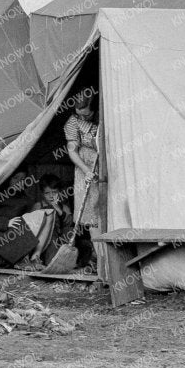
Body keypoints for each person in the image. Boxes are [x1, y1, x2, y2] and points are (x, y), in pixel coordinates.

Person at [63, 92, 105, 266]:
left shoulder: (104, 115)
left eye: (86, 114)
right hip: (85, 168)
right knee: (92, 216)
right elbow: (72, 150)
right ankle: (101, 260)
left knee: (105, 211)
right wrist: (86, 170)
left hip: (104, 163)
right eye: (79, 113)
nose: (83, 117)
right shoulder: (72, 123)